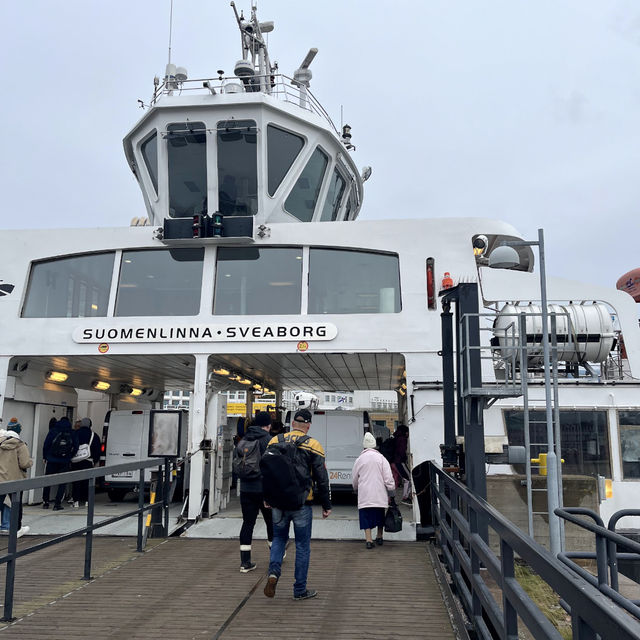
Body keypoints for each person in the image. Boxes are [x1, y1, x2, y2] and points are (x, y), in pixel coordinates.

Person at [263, 408, 331, 601]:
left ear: (292, 424)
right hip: (302, 503)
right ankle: (299, 589)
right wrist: (326, 504)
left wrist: (267, 497)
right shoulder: (314, 445)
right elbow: (322, 478)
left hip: (278, 502)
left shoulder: (275, 441)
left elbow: (267, 472)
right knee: (302, 546)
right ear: (308, 426)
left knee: (278, 539)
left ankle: (274, 572)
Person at [235, 411, 274, 573]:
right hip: (263, 489)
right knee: (271, 522)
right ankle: (276, 555)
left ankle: (245, 562)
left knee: (248, 523)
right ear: (268, 425)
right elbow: (272, 467)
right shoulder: (268, 440)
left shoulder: (244, 439)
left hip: (245, 489)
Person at [352, 432, 395, 548]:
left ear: (364, 446)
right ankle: (380, 536)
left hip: (365, 493)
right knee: (380, 514)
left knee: (365, 515)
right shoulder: (381, 458)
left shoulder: (359, 460)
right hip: (379, 493)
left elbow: (355, 477)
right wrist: (391, 490)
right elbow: (388, 477)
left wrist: (355, 488)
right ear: (375, 445)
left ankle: (368, 540)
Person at [0, 418, 33, 537]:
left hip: (1, 478)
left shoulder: (0, 442)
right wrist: (31, 462)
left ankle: (5, 526)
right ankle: (17, 529)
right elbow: (24, 463)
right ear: (18, 431)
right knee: (16, 504)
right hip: (15, 480)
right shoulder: (20, 444)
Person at [42, 416, 77, 510]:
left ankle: (46, 502)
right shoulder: (71, 432)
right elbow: (76, 447)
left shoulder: (53, 431)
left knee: (47, 481)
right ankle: (57, 504)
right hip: (64, 461)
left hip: (51, 460)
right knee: (62, 482)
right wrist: (70, 456)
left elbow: (46, 445)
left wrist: (45, 457)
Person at [70, 418, 101, 508]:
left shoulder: (75, 433)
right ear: (90, 425)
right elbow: (97, 450)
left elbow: (71, 446)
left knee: (76, 482)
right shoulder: (94, 435)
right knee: (87, 482)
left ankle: (76, 501)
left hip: (76, 461)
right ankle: (87, 501)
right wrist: (95, 461)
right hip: (88, 461)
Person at [392, 424, 412, 505]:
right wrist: (405, 459)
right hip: (399, 462)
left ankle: (390, 500)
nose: (408, 433)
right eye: (407, 432)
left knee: (394, 482)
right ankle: (405, 497)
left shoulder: (396, 438)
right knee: (409, 479)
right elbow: (401, 451)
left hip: (393, 462)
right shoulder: (403, 439)